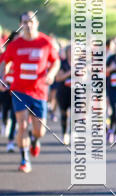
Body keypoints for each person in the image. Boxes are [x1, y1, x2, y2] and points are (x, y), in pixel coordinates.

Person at [0, 12, 59, 173]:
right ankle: (24, 159)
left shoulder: (45, 42)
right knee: (22, 125)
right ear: (21, 24)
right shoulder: (15, 45)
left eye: (31, 21)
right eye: (25, 22)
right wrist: (3, 77)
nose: (28, 24)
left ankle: (34, 141)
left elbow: (56, 61)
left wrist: (52, 74)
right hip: (20, 90)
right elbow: (5, 61)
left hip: (39, 91)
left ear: (37, 23)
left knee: (39, 130)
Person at [55, 44, 72, 145]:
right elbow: (58, 78)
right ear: (67, 52)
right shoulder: (63, 64)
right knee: (64, 114)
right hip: (63, 92)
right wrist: (69, 73)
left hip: (77, 93)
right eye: (70, 51)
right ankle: (64, 132)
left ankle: (70, 133)